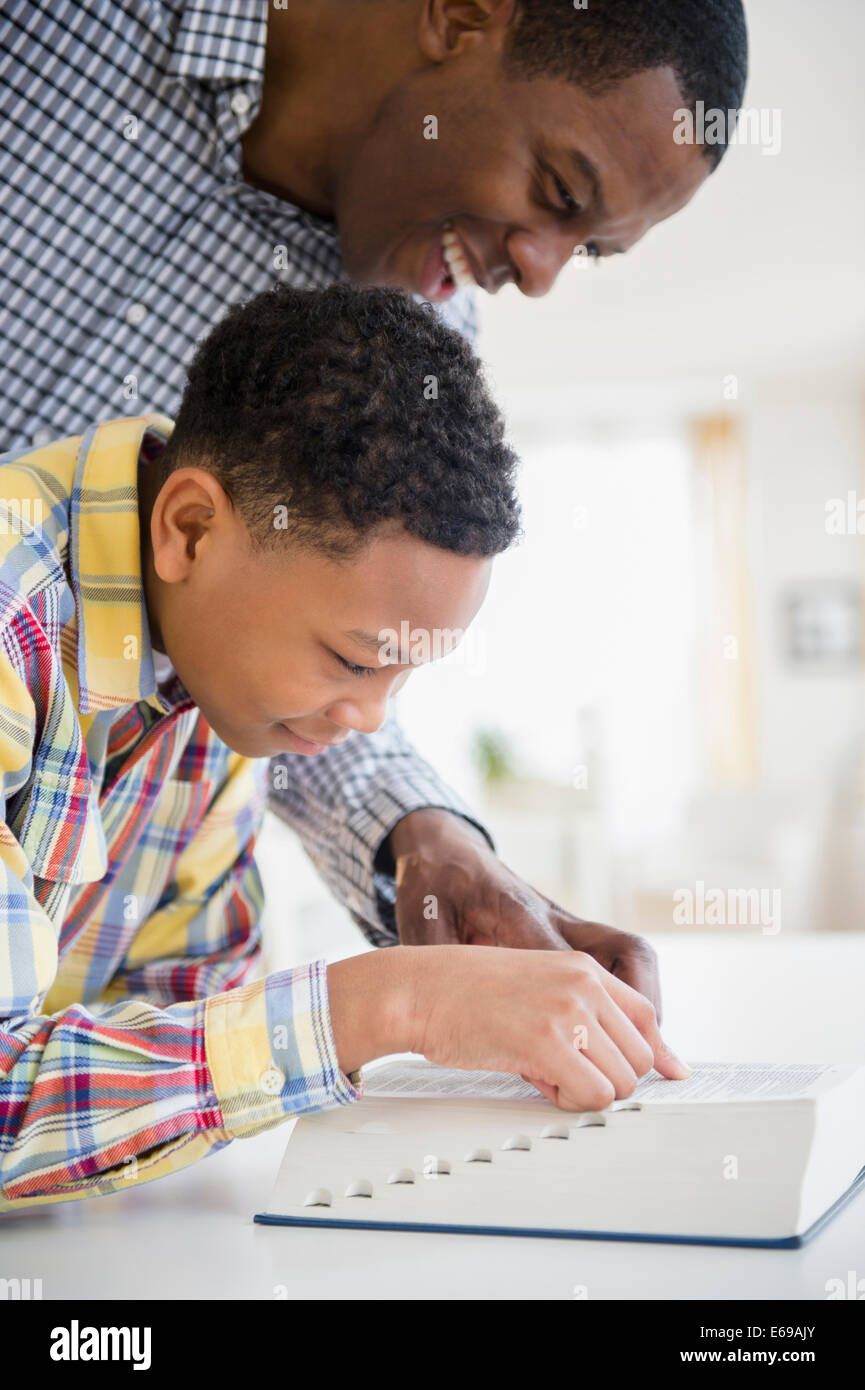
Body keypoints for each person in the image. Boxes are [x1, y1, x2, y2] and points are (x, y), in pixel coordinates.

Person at [0, 0, 748, 1033]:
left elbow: (285, 648)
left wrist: (431, 839)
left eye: (588, 249)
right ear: (462, 17)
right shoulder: (63, 26)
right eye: (560, 192)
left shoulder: (411, 334)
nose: (538, 273)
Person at [0, 284, 688, 1204]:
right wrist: (394, 1003)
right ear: (191, 529)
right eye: (351, 659)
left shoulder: (214, 698)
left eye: (402, 677)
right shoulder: (17, 618)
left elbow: (172, 1021)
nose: (366, 719)